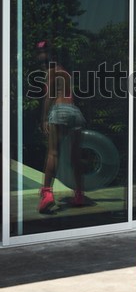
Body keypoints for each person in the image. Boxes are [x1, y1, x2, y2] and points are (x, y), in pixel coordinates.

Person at [37, 41, 86, 213]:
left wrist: (44, 118)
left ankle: (47, 194)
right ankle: (79, 194)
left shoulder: (51, 71)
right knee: (75, 157)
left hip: (58, 110)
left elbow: (49, 97)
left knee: (52, 153)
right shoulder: (65, 71)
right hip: (74, 112)